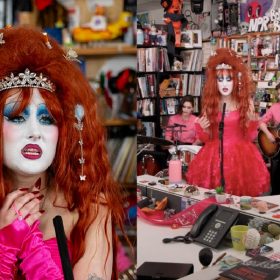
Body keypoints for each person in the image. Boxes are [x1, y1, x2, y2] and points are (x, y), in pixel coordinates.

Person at [0, 26, 126, 279]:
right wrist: (5, 247)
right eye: (16, 116)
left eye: (47, 119)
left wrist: (30, 246)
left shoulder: (90, 208)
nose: (35, 132)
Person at [186, 48, 269, 197]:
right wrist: (202, 129)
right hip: (214, 156)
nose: (224, 83)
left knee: (239, 198)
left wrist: (253, 123)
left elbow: (249, 137)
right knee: (214, 197)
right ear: (214, 81)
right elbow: (206, 139)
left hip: (240, 156)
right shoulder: (211, 103)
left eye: (229, 79)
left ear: (235, 80)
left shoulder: (245, 103)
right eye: (220, 79)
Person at [259, 82, 280, 195]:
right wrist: (268, 134)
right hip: (276, 150)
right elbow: (261, 122)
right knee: (276, 181)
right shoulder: (275, 107)